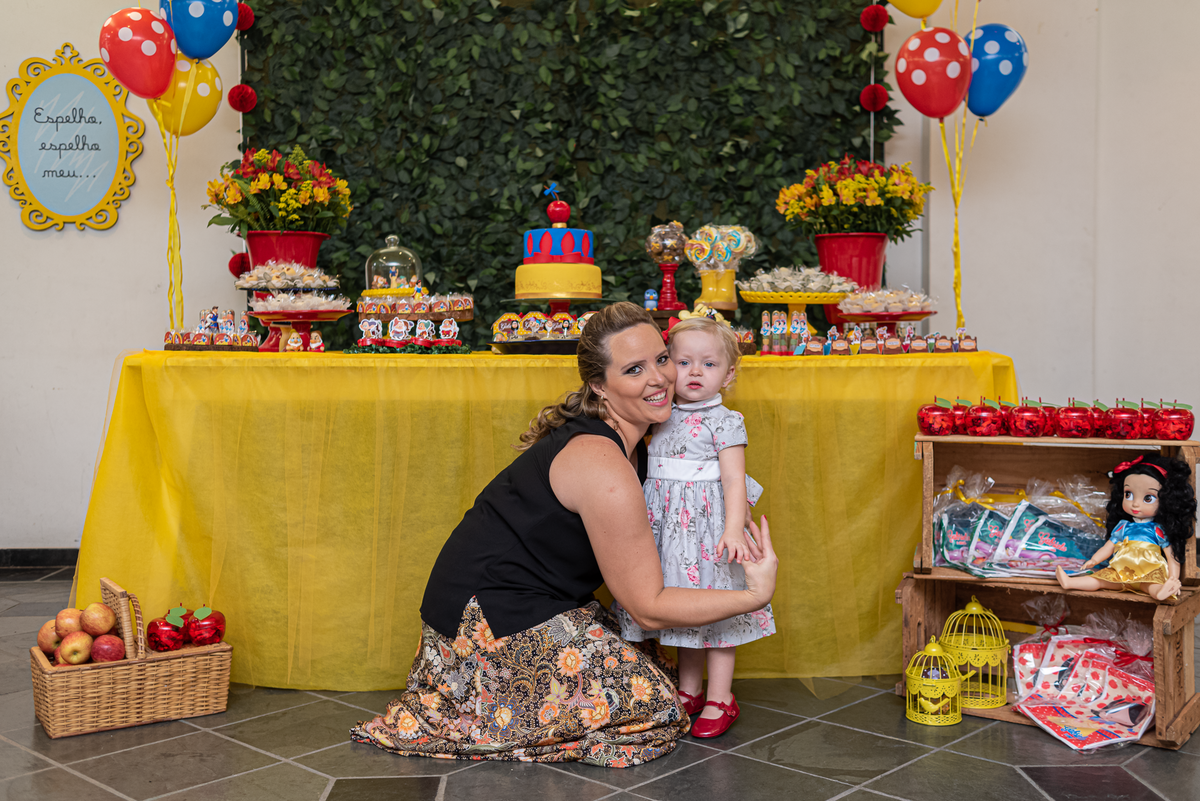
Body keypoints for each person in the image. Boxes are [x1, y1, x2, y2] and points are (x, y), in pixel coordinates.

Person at [351, 302, 777, 767]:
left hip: (522, 603)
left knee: (658, 668)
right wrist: (752, 596)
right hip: (484, 623)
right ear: (599, 385)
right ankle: (483, 701)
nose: (659, 378)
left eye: (661, 359)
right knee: (656, 704)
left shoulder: (635, 441)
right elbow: (649, 609)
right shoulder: (603, 464)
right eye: (634, 369)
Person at [614, 316, 774, 738]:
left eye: (708, 364)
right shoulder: (661, 413)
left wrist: (734, 529)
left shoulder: (725, 420)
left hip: (709, 531)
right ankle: (690, 691)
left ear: (729, 374)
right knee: (683, 609)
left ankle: (721, 696)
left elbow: (734, 478)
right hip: (669, 530)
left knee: (717, 610)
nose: (695, 372)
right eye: (683, 362)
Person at [1056, 454, 1195, 601]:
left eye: (1148, 498)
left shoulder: (1157, 530)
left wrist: (1173, 578)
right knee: (1099, 580)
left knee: (1152, 586)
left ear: (1166, 500)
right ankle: (1069, 582)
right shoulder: (1123, 526)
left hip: (1148, 573)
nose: (1135, 504)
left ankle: (1163, 591)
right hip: (1121, 573)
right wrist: (1094, 560)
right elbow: (1109, 546)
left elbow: (1171, 556)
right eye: (1128, 494)